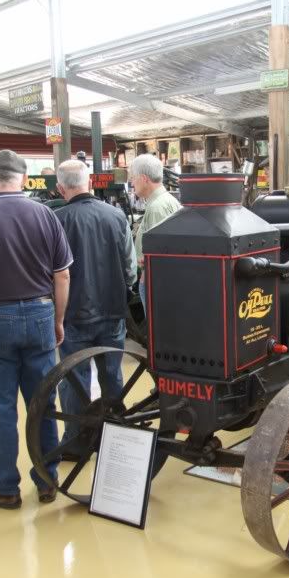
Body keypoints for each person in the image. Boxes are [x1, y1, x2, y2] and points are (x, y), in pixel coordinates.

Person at [0, 150, 72, 509]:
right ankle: (47, 479)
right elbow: (62, 274)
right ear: (23, 178)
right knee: (42, 403)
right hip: (40, 313)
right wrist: (58, 319)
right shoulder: (45, 214)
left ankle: (5, 488)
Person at [54, 159, 137, 459]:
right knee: (112, 374)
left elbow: (51, 272)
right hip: (112, 311)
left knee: (75, 379)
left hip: (72, 315)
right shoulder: (116, 216)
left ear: (60, 187)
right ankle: (113, 437)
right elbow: (130, 267)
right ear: (89, 182)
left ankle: (77, 443)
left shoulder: (56, 219)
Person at [129, 154, 181, 311]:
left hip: (155, 282)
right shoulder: (165, 201)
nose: (131, 183)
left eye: (133, 178)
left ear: (144, 179)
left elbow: (162, 254)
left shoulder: (157, 207)